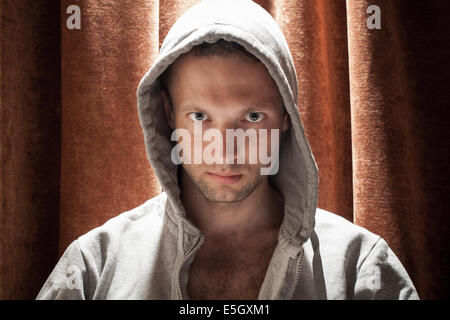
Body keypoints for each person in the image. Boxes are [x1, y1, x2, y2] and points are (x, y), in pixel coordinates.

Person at [36, 0, 419, 300]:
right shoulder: (94, 268)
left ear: (287, 116)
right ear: (168, 113)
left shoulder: (360, 269)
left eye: (252, 116)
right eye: (200, 116)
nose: (225, 150)